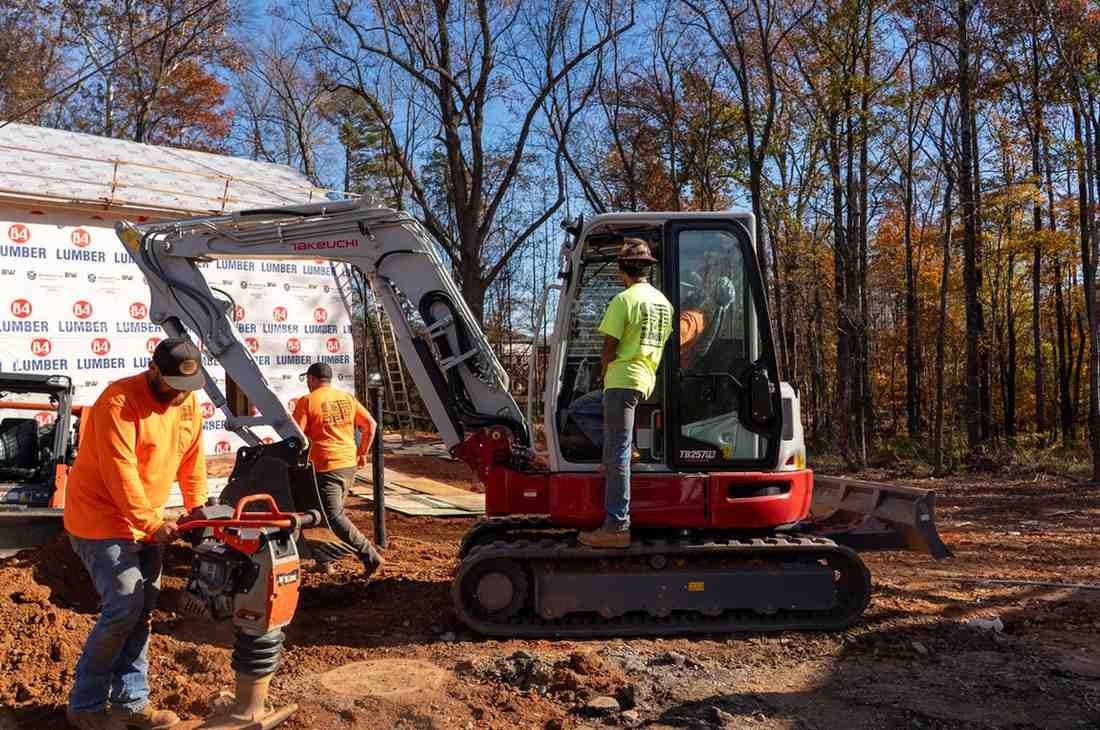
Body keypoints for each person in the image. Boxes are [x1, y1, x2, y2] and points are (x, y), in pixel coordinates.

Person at [64, 336, 208, 730]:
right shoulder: (118, 401)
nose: (180, 395)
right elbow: (120, 471)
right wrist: (150, 523)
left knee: (143, 612)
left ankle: (131, 703)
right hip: (100, 519)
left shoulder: (187, 401)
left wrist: (198, 508)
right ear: (154, 369)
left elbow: (192, 459)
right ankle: (86, 704)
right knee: (124, 607)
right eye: (173, 385)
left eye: (187, 389)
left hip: (146, 520)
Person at [577, 238, 673, 549]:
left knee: (615, 453)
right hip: (645, 379)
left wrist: (604, 372)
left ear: (622, 270)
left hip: (622, 378)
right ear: (648, 268)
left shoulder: (625, 300)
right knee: (584, 409)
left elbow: (608, 349)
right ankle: (621, 450)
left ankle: (616, 525)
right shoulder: (663, 303)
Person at [567, 273, 736, 448]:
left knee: (580, 407)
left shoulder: (689, 321)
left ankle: (620, 447)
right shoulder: (696, 319)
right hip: (657, 379)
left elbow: (665, 348)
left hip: (656, 381)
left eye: (686, 290)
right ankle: (620, 445)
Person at [292, 362, 382, 576]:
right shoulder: (347, 398)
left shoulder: (307, 401)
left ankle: (371, 557)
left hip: (325, 467)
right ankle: (324, 561)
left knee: (333, 516)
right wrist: (362, 452)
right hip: (347, 463)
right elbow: (370, 424)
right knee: (320, 514)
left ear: (312, 379)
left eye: (308, 379)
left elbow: (296, 438)